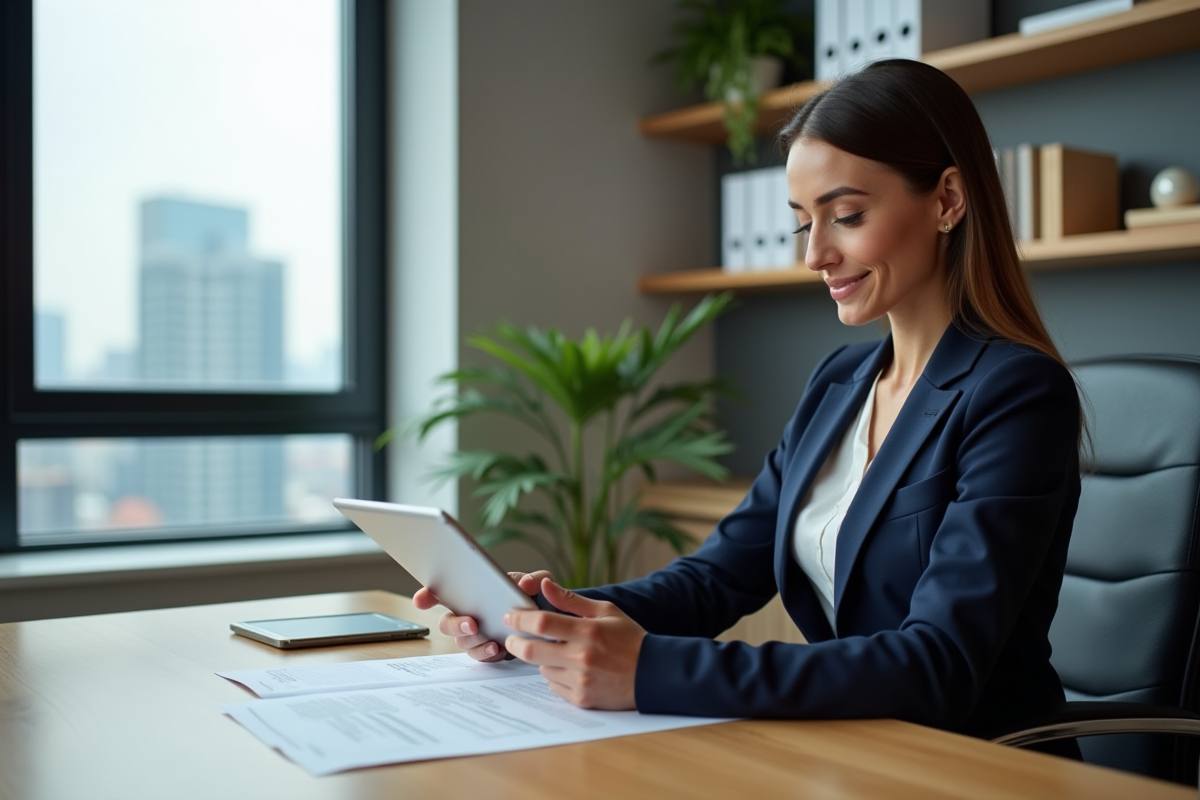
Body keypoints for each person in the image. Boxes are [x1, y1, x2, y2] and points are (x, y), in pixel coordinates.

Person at [414, 59, 1084, 756]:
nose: (816, 255)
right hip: (857, 751)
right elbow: (716, 580)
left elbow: (935, 665)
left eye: (847, 216)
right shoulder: (840, 383)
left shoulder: (1015, 391)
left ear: (948, 199)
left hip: (975, 763)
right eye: (803, 225)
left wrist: (649, 670)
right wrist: (539, 616)